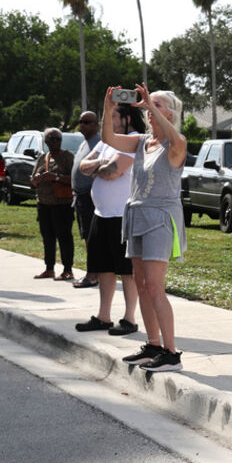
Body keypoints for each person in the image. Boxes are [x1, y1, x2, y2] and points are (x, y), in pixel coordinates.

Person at [102, 84, 188, 373]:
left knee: (154, 285)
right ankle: (153, 345)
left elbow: (176, 141)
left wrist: (150, 105)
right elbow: (108, 137)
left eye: (158, 105)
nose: (150, 109)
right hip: (137, 215)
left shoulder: (177, 144)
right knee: (140, 285)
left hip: (160, 219)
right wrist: (108, 108)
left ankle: (171, 353)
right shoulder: (141, 142)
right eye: (150, 104)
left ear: (171, 114)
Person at [74, 105, 140, 336]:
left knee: (127, 271)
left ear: (127, 118)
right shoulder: (105, 142)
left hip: (123, 215)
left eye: (113, 116)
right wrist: (100, 166)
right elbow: (83, 166)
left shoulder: (132, 140)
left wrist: (98, 167)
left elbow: (113, 171)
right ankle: (104, 317)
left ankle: (129, 319)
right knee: (103, 267)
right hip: (101, 214)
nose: (108, 121)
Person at [30, 128, 75, 281]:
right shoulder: (43, 158)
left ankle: (68, 270)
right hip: (43, 204)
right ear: (46, 141)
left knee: (64, 238)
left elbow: (75, 179)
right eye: (52, 139)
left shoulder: (68, 157)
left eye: (58, 139)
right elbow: (32, 181)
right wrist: (37, 178)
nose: (55, 141)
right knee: (47, 238)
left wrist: (56, 177)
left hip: (62, 205)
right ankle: (49, 269)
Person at [72, 111, 101, 288]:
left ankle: (93, 275)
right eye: (81, 121)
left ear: (96, 124)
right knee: (86, 236)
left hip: (91, 197)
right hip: (80, 196)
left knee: (92, 238)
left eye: (87, 122)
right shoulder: (84, 143)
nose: (82, 124)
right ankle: (94, 272)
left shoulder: (98, 143)